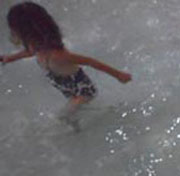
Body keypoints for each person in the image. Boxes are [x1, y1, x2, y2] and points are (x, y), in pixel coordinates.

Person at [0, 2, 131, 118]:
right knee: (72, 118)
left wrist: (119, 75)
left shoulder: (58, 55)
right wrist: (10, 58)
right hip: (70, 93)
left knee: (63, 117)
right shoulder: (36, 48)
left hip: (84, 92)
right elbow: (29, 52)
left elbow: (90, 61)